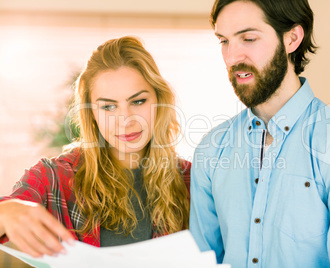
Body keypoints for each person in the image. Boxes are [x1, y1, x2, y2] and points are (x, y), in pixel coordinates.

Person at [189, 0, 330, 267]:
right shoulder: (211, 149)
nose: (232, 57)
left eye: (248, 38)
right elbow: (202, 260)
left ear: (292, 39)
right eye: (224, 41)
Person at [0, 36, 191, 257]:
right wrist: (8, 211)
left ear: (159, 101)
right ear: (91, 113)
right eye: (109, 107)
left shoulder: (192, 181)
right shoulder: (53, 177)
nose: (125, 120)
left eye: (138, 101)